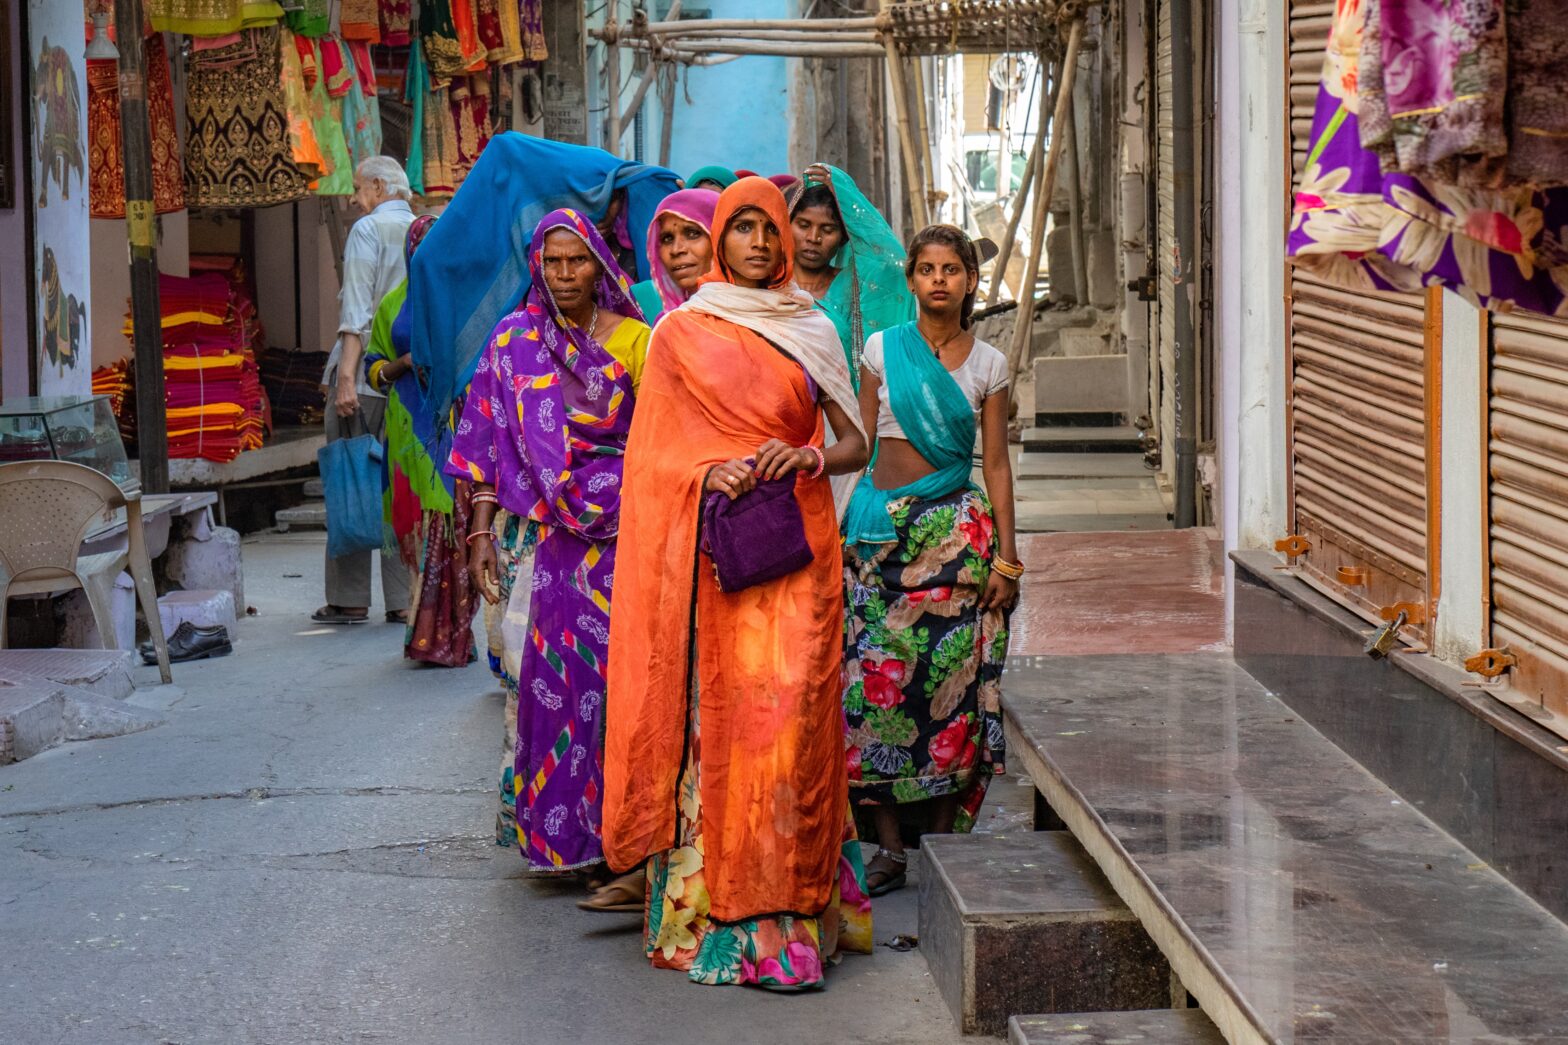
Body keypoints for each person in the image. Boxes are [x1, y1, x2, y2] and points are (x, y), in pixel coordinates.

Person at [597, 177, 873, 990]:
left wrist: (811, 455)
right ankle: (720, 920)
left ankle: (793, 914)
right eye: (741, 227)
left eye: (768, 228)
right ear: (722, 240)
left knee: (790, 726)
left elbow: (856, 441)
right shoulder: (683, 332)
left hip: (797, 550)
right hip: (717, 558)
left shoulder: (809, 326)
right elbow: (649, 459)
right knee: (728, 724)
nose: (756, 241)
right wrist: (706, 468)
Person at [447, 209, 651, 894]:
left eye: (578, 261)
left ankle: (617, 838)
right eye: (553, 262)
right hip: (536, 539)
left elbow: (657, 442)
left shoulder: (634, 341)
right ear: (538, 264)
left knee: (614, 689)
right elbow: (482, 447)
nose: (565, 274)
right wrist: (479, 535)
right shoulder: (514, 341)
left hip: (621, 536)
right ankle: (557, 834)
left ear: (600, 264)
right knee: (540, 684)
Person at [840, 225, 1021, 897]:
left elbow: (996, 466)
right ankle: (887, 846)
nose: (939, 279)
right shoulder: (882, 350)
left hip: (954, 541)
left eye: (952, 269)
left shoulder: (989, 365)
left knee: (951, 691)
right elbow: (858, 445)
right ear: (910, 279)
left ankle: (943, 840)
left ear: (971, 282)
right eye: (926, 268)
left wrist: (1009, 557)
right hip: (878, 538)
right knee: (874, 694)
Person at [363, 215, 479, 667]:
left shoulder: (468, 297)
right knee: (428, 528)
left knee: (461, 529)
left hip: (461, 425)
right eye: (422, 247)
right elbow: (374, 366)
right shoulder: (394, 305)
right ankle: (428, 634)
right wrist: (403, 363)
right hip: (411, 429)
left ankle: (456, 637)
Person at [315, 156, 417, 626]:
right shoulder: (424, 229)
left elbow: (356, 312)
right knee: (397, 486)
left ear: (378, 187)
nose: (355, 199)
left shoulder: (368, 231)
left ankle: (350, 599)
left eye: (358, 189)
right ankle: (402, 601)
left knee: (350, 479)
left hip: (367, 376)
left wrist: (346, 381)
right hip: (408, 379)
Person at [788, 163, 916, 384]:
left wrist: (847, 196)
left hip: (847, 409)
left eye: (827, 230)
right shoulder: (772, 286)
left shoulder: (853, 286)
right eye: (803, 225)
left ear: (845, 238)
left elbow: (892, 265)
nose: (813, 238)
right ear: (786, 224)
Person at [629, 187, 720, 324]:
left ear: (720, 239)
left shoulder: (756, 315)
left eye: (692, 233)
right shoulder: (666, 325)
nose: (676, 250)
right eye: (667, 239)